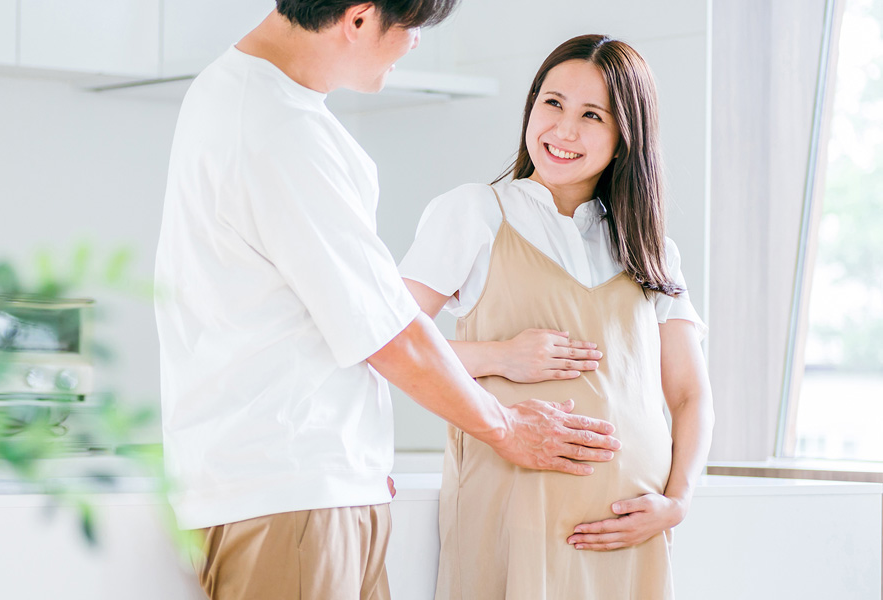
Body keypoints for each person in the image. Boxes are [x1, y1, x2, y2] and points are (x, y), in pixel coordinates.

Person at [153, 4, 625, 599]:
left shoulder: (246, 99)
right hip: (294, 491)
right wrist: (504, 425)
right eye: (413, 27)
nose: (416, 44)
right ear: (359, 18)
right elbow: (387, 330)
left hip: (307, 485)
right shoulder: (280, 130)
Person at [398, 34, 715, 599]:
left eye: (592, 115)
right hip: (513, 514)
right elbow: (391, 343)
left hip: (627, 530)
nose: (564, 130)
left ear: (625, 138)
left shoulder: (651, 248)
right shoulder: (474, 212)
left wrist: (677, 503)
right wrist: (500, 358)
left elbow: (690, 394)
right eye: (552, 103)